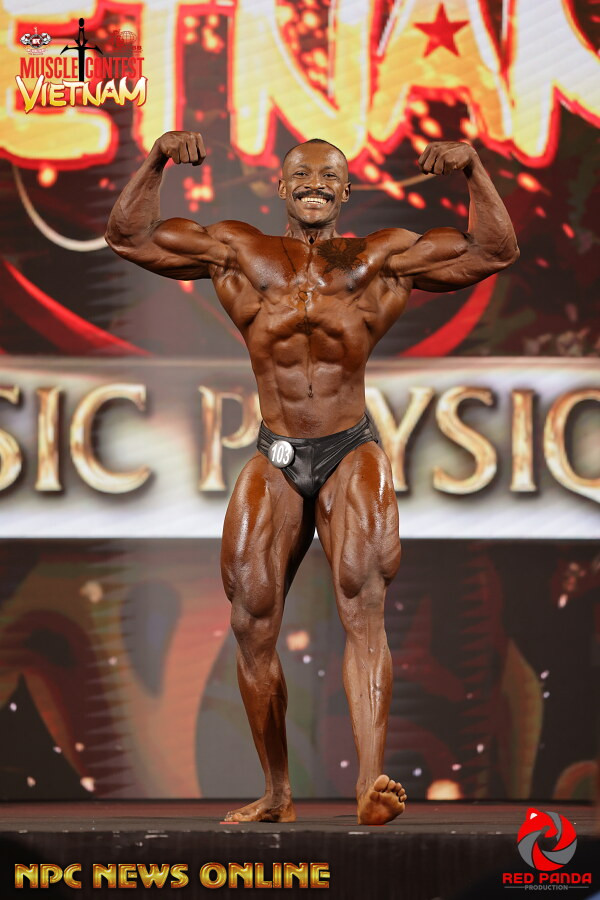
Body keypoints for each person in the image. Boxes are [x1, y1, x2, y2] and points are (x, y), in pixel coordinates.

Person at [106, 132, 518, 825]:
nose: (315, 183)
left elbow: (493, 250)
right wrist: (156, 161)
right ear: (281, 185)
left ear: (348, 190)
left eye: (330, 175)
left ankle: (371, 782)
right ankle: (277, 792)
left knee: (362, 602)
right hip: (276, 451)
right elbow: (129, 237)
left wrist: (474, 169)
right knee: (251, 618)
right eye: (302, 173)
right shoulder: (239, 251)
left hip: (349, 448)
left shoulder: (381, 257)